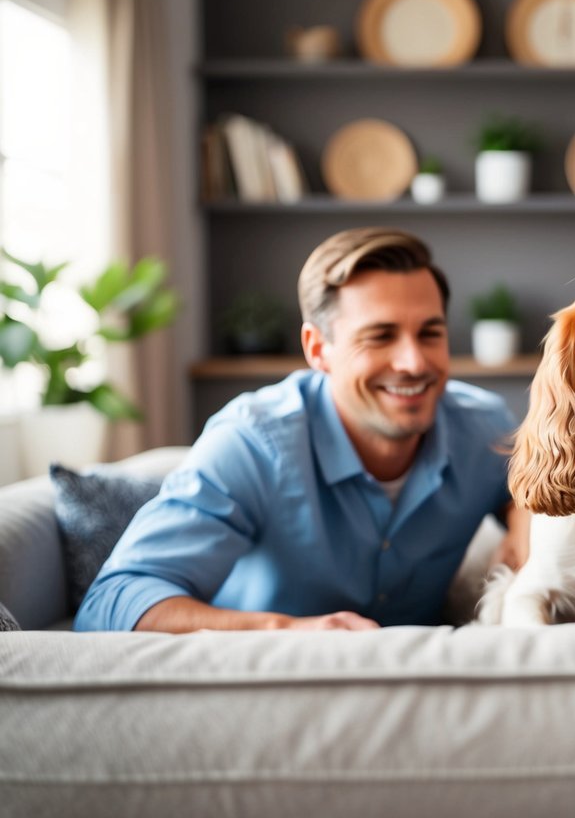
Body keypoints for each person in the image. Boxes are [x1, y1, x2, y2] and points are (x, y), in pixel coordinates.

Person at [75, 227, 527, 632]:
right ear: (317, 349)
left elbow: (537, 488)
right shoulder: (252, 442)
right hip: (264, 684)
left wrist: (523, 523)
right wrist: (286, 631)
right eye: (380, 336)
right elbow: (111, 602)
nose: (413, 362)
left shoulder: (481, 426)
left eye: (430, 333)